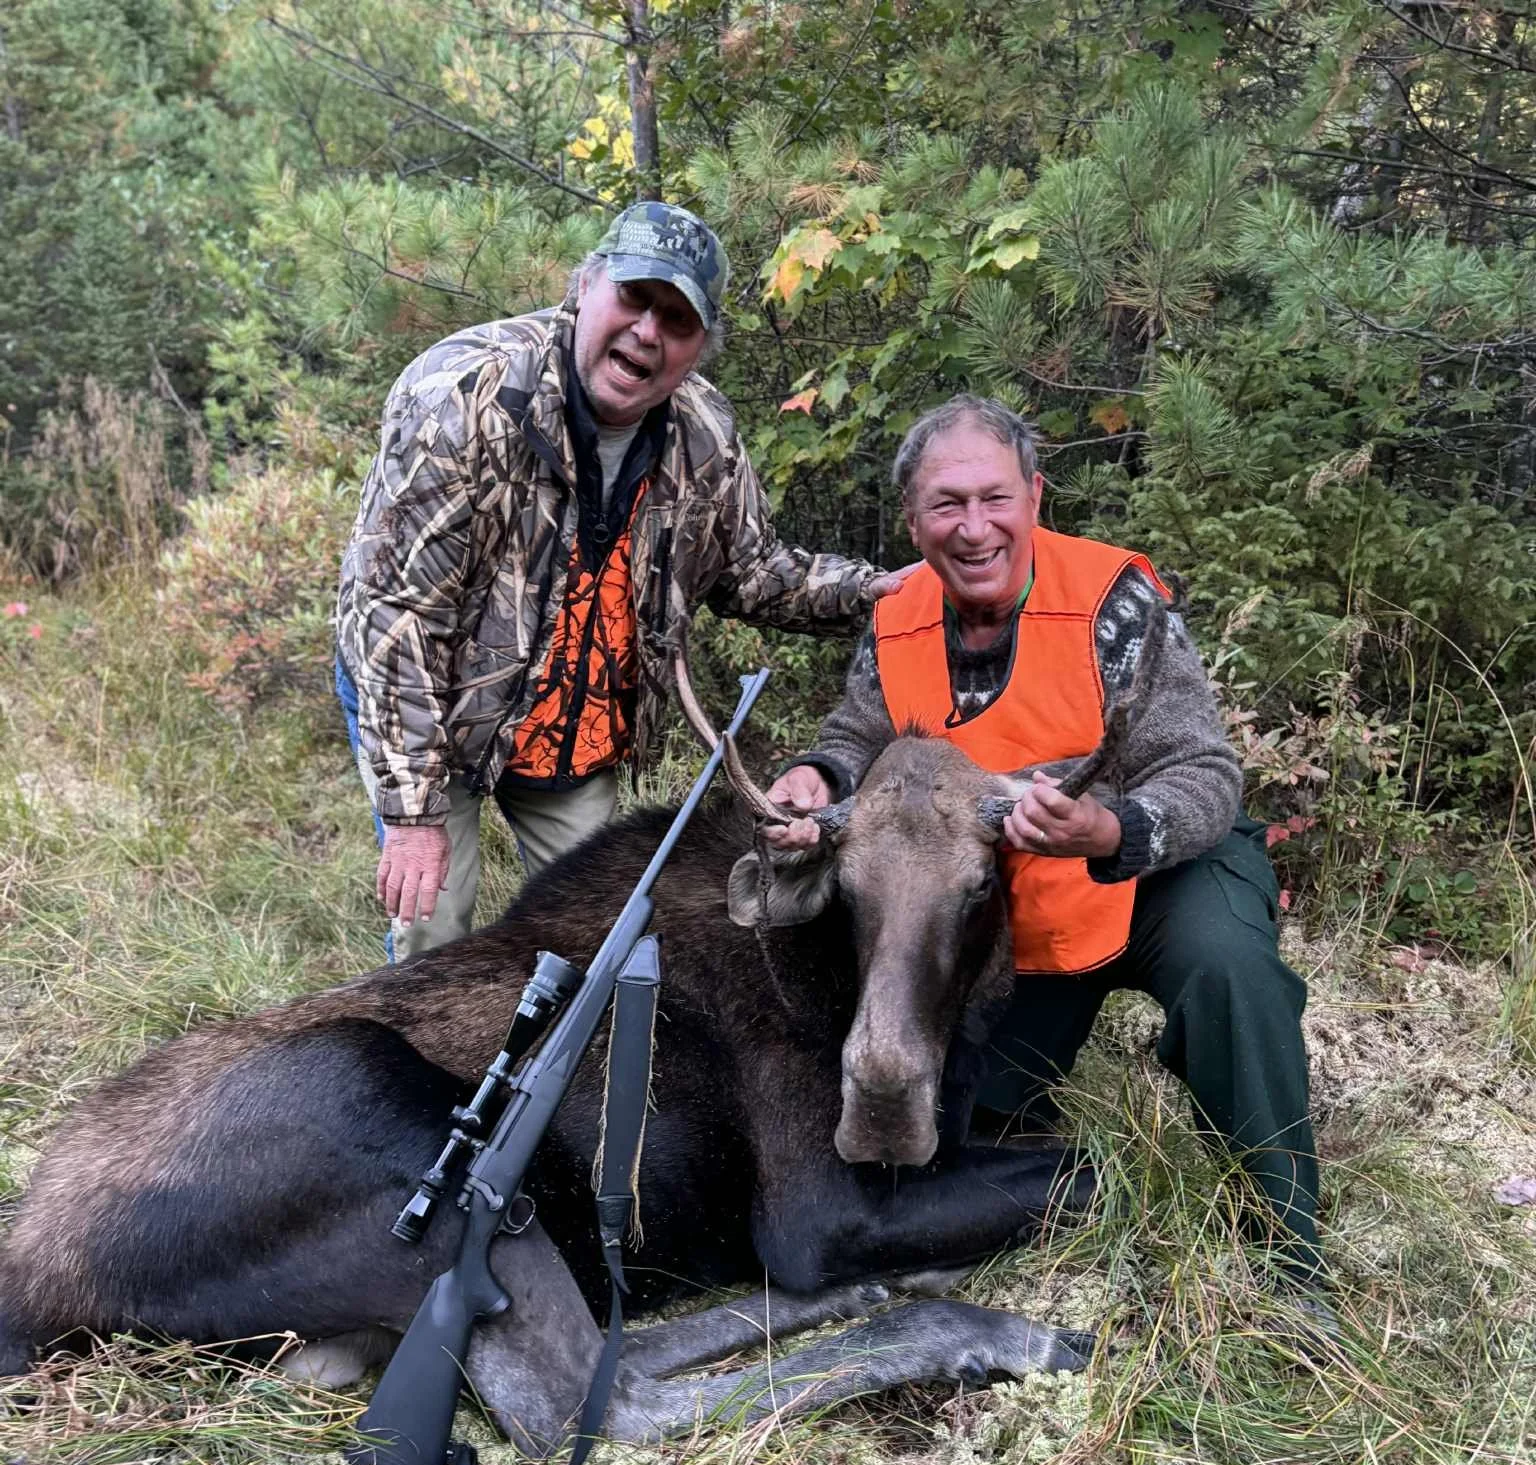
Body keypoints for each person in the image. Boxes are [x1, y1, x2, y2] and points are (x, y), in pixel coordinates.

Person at [765, 394, 1330, 1307]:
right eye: (947, 504)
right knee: (982, 1120)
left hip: (1159, 870)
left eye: (995, 498)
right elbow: (855, 734)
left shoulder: (1114, 602)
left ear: (1034, 494)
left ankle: (1290, 1253)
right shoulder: (898, 616)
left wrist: (1115, 828)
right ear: (912, 519)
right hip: (1019, 909)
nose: (975, 527)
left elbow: (1203, 769)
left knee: (1230, 974)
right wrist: (816, 779)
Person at [336, 201, 911, 958]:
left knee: (602, 942)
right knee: (434, 929)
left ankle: (552, 1065)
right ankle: (427, 1069)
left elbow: (752, 571)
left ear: (700, 348)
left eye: (677, 320)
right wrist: (412, 814)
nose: (648, 331)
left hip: (572, 734)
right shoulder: (460, 397)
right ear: (585, 287)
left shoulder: (703, 435)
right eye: (636, 298)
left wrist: (883, 595)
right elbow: (395, 614)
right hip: (431, 707)